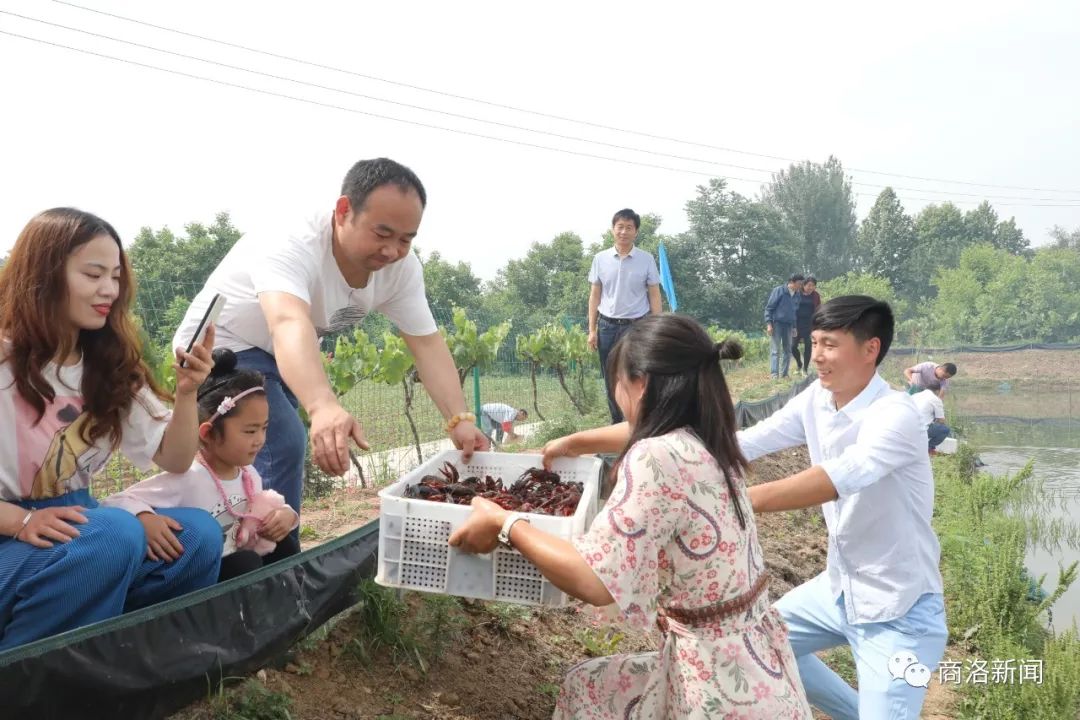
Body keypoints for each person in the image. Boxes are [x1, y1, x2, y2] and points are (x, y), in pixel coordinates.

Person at [539, 297, 947, 719]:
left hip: (897, 606)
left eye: (830, 344)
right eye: (815, 342)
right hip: (839, 587)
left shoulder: (895, 415)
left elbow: (837, 477)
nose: (818, 356)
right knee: (762, 636)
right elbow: (735, 440)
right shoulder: (817, 401)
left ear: (870, 349)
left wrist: (725, 503)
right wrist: (576, 441)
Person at [450, 314, 812, 719]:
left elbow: (594, 581)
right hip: (758, 664)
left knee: (590, 690)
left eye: (618, 382)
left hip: (718, 688)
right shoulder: (710, 436)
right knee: (589, 684)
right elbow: (643, 429)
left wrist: (505, 522)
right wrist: (575, 441)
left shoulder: (654, 457)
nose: (617, 393)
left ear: (641, 383)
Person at [171, 158, 488, 531]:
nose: (392, 251)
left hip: (282, 356)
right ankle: (270, 574)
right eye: (382, 233)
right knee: (280, 442)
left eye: (406, 239)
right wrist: (322, 405)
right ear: (343, 211)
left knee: (266, 459)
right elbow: (288, 321)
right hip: (219, 350)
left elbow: (427, 344)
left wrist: (460, 420)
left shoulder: (401, 270)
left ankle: (258, 555)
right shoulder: (291, 240)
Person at [0, 208, 223, 652]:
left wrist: (186, 393)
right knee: (114, 536)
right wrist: (21, 520)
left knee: (197, 536)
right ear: (44, 275)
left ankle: (120, 665)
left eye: (116, 276)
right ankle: (21, 680)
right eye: (93, 274)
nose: (109, 290)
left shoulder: (107, 363)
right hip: (11, 531)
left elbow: (176, 459)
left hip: (77, 526)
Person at [101, 349, 300, 581]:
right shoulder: (189, 477)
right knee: (246, 563)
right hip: (205, 574)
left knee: (284, 545)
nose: (260, 440)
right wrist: (144, 518)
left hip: (241, 564)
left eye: (264, 428)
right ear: (207, 433)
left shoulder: (248, 475)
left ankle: (291, 604)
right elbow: (113, 501)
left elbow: (260, 513)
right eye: (250, 431)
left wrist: (286, 515)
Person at [587, 208, 661, 423]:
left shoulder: (646, 259)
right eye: (620, 227)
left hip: (636, 325)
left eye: (629, 227)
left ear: (636, 232)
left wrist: (656, 327)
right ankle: (617, 423)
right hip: (607, 326)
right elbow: (594, 296)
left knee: (637, 373)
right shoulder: (600, 259)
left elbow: (654, 295)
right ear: (613, 230)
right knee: (610, 376)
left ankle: (640, 420)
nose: (624, 232)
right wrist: (592, 330)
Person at [765, 273, 804, 379]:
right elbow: (769, 308)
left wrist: (795, 327)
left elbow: (794, 312)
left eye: (801, 284)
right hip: (776, 323)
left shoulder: (797, 295)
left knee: (788, 350)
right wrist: (769, 324)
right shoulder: (779, 291)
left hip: (789, 325)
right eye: (799, 284)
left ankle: (785, 374)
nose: (801, 286)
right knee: (775, 350)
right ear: (791, 282)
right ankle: (774, 374)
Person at [791, 275, 820, 375]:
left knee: (808, 346)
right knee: (793, 347)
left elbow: (818, 309)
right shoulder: (797, 294)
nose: (810, 287)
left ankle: (805, 369)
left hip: (809, 325)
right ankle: (799, 364)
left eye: (813, 285)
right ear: (803, 285)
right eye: (808, 285)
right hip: (796, 324)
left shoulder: (816, 295)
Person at [912, 388, 951, 454]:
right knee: (945, 430)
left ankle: (923, 446)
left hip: (906, 428)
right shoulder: (935, 399)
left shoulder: (914, 395)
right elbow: (941, 420)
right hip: (919, 430)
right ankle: (928, 448)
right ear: (938, 390)